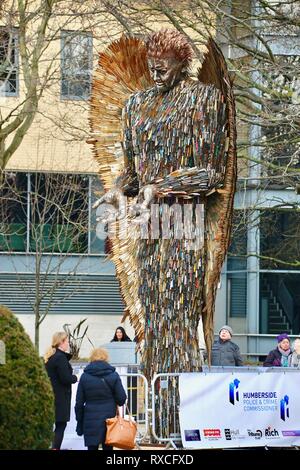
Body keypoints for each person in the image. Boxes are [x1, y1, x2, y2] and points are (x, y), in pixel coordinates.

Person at [92, 30, 236, 377]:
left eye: (164, 69)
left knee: (178, 320)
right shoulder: (135, 107)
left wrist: (161, 187)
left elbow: (211, 174)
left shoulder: (204, 101)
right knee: (153, 318)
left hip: (185, 229)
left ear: (182, 64)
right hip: (148, 229)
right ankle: (158, 415)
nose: (156, 75)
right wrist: (117, 188)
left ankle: (178, 413)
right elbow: (132, 173)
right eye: (152, 68)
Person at [75, 348, 127, 450]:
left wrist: (79, 422)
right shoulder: (113, 375)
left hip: (90, 419)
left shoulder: (85, 377)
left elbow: (79, 403)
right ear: (106, 358)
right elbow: (121, 399)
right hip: (109, 419)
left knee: (92, 447)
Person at [44, 331, 77, 450]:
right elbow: (66, 378)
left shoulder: (52, 356)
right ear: (61, 342)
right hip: (60, 397)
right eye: (67, 341)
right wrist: (75, 377)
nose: (68, 344)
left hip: (53, 395)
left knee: (54, 425)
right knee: (61, 425)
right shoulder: (60, 357)